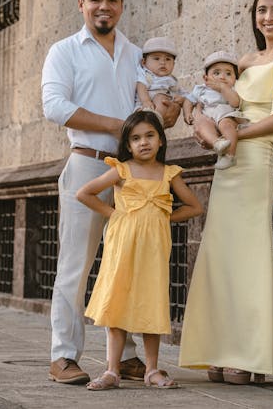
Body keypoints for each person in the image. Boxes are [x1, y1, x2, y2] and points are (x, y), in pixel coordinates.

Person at [41, 0, 180, 385]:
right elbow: (55, 106)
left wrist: (165, 113)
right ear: (81, 4)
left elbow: (153, 110)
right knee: (76, 265)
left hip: (132, 173)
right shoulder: (64, 51)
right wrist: (118, 126)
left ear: (121, 5)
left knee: (130, 263)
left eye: (112, 0)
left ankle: (131, 356)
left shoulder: (137, 54)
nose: (104, 6)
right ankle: (63, 356)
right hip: (87, 164)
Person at [178, 0, 273, 384]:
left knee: (249, 252)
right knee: (219, 252)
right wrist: (201, 122)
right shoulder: (242, 61)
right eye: (261, 10)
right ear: (254, 16)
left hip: (255, 159)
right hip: (227, 161)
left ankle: (248, 354)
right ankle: (217, 350)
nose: (268, 17)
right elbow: (219, 100)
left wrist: (238, 133)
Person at [76, 110, 203, 390]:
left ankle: (152, 370)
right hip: (122, 245)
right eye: (135, 138)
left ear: (160, 140)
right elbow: (84, 193)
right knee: (118, 299)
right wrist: (114, 213)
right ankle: (112, 370)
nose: (143, 142)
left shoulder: (169, 174)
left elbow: (195, 206)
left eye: (149, 135)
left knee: (151, 299)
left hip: (154, 249)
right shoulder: (121, 169)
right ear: (128, 144)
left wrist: (161, 215)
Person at [183, 51, 247, 170]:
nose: (222, 77)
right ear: (205, 78)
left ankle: (230, 156)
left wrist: (223, 88)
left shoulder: (232, 89)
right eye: (216, 73)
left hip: (225, 114)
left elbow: (235, 102)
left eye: (228, 73)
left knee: (227, 125)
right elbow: (188, 100)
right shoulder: (200, 89)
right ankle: (217, 143)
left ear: (234, 79)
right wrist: (187, 113)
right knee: (202, 125)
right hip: (208, 116)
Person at [135, 37, 188, 126]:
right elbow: (141, 85)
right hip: (144, 107)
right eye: (156, 58)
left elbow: (185, 94)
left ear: (173, 64)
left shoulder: (172, 80)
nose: (163, 62)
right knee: (160, 98)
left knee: (163, 99)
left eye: (168, 59)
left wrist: (182, 100)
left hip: (162, 113)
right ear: (144, 62)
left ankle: (155, 123)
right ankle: (151, 121)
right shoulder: (146, 74)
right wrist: (146, 101)